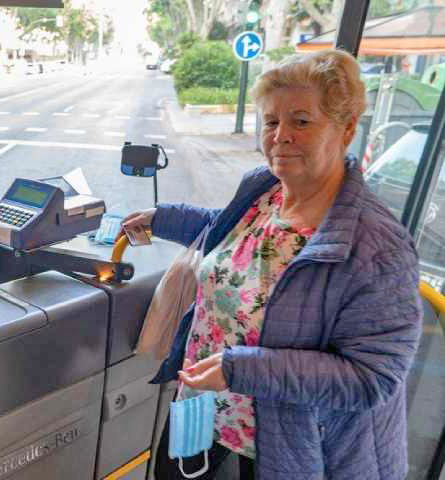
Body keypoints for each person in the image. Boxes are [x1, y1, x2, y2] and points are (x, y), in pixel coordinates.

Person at [122, 49, 421, 480]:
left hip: (288, 449)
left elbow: (371, 377)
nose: (281, 135)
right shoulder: (264, 188)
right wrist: (162, 219)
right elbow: (229, 234)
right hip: (205, 412)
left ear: (347, 128)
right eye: (271, 122)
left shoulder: (377, 248)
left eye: (301, 121)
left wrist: (242, 369)